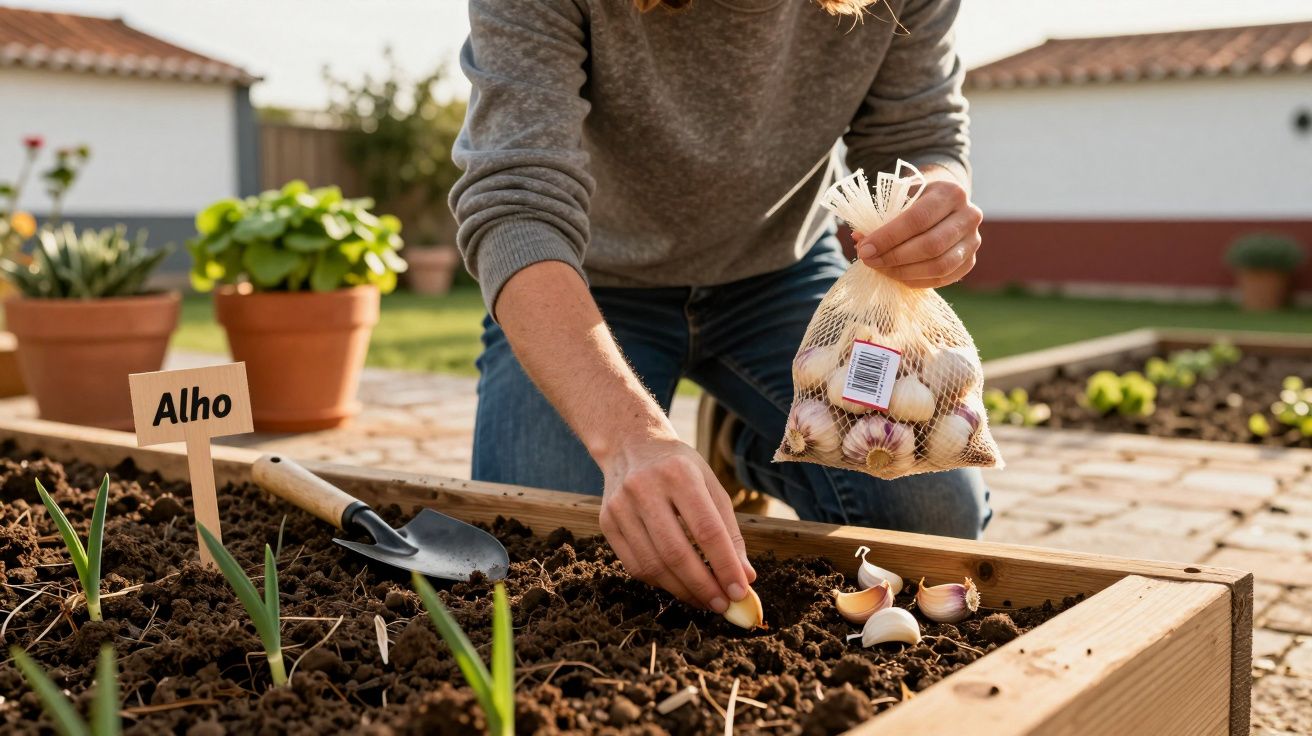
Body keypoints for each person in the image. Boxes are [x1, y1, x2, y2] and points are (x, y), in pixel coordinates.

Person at [450, 0, 988, 617]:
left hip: (777, 273)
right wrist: (632, 439)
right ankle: (755, 420)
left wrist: (930, 206)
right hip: (586, 287)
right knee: (538, 546)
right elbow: (517, 208)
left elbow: (917, 134)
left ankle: (747, 436)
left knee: (933, 516)